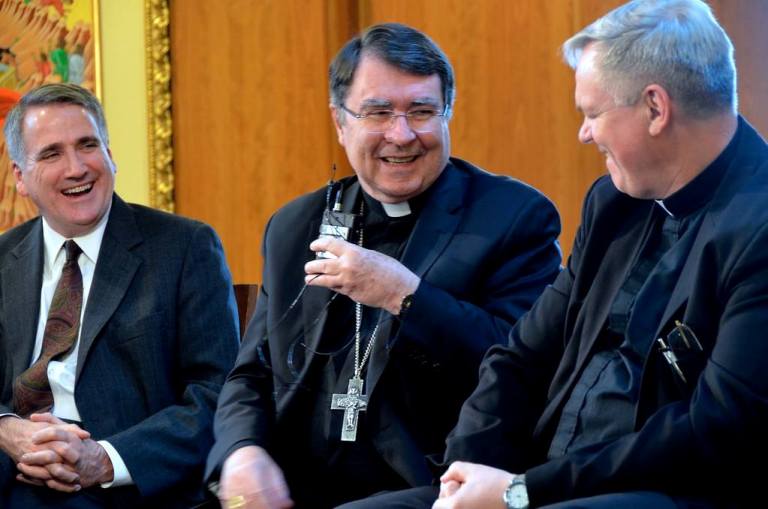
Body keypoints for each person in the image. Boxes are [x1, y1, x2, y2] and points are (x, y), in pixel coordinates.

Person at [339, 1, 768, 508]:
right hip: (541, 480)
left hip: (665, 492)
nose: (584, 133)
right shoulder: (614, 203)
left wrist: (520, 493)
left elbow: (714, 427)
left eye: (592, 113)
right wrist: (464, 473)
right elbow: (521, 356)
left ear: (655, 108)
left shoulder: (758, 227)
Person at [205, 22, 562, 509]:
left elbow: (525, 368)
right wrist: (242, 451)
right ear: (340, 122)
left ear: (447, 114)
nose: (402, 134)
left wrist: (405, 295)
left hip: (432, 483)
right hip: (293, 485)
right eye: (378, 112)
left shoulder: (512, 217)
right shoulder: (296, 224)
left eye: (422, 111)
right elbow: (252, 372)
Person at [0, 83, 240, 508]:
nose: (76, 168)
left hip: (123, 485)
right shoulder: (4, 258)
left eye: (87, 145)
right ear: (20, 177)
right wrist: (5, 428)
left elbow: (218, 393)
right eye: (52, 154)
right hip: (13, 468)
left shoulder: (184, 247)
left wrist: (105, 460)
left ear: (110, 154)